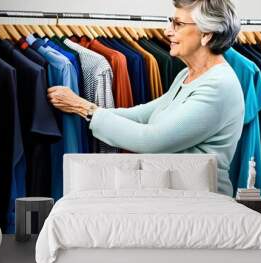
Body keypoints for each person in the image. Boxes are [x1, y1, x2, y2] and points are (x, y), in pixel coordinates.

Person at [47, 0, 244, 196]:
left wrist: (86, 109)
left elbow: (152, 140)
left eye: (178, 24)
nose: (167, 31)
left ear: (207, 34)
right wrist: (84, 108)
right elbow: (141, 114)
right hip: (178, 199)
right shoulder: (187, 75)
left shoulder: (219, 86)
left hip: (203, 205)